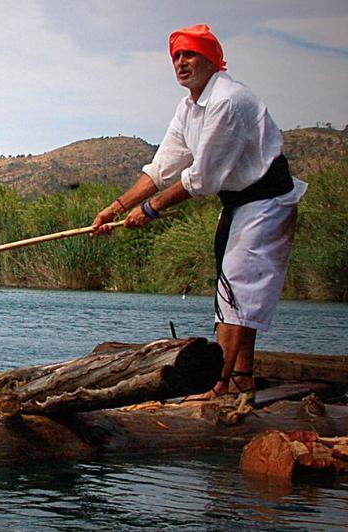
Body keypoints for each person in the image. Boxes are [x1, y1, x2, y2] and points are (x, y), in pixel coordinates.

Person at [91, 24, 306, 402]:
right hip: (240, 202)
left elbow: (202, 180)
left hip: (267, 200)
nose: (180, 62)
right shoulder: (189, 108)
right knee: (234, 293)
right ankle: (240, 379)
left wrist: (150, 210)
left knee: (239, 292)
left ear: (212, 59)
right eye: (176, 56)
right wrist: (115, 208)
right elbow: (162, 168)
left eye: (189, 54)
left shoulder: (225, 101)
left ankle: (221, 386)